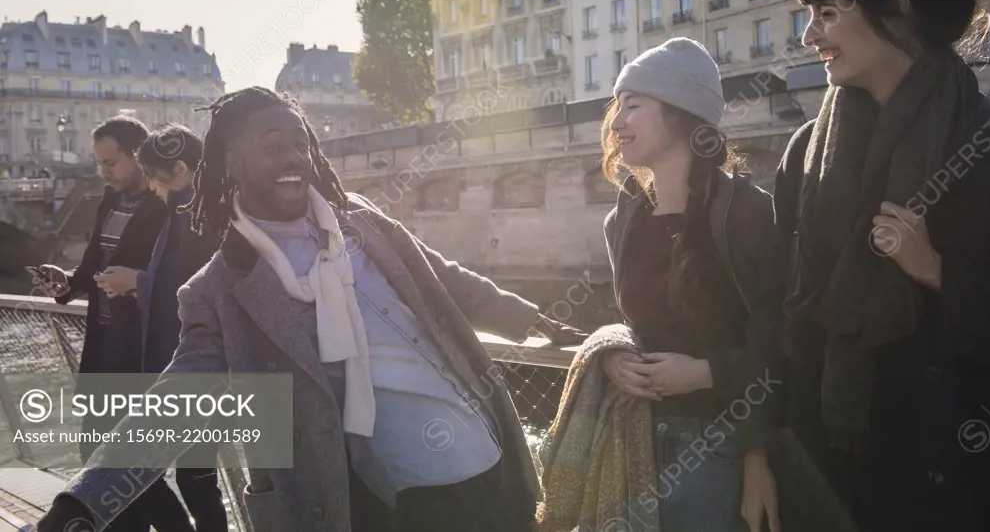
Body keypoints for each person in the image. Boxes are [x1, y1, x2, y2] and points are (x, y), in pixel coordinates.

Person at [37, 86, 585, 532]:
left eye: (301, 142)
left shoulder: (363, 222)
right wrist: (82, 504)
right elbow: (177, 401)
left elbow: (444, 280)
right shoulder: (221, 287)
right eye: (274, 144)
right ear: (232, 162)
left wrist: (534, 321)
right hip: (392, 494)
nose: (295, 156)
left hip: (485, 452)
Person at [775, 0, 990, 532]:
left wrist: (939, 272)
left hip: (957, 488)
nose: (810, 36)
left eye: (827, 12)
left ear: (898, 7)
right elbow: (784, 317)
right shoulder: (803, 152)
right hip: (828, 481)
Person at [540, 39, 786, 532]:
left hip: (723, 449)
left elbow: (784, 342)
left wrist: (714, 381)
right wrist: (611, 354)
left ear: (680, 114)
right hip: (637, 446)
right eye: (616, 108)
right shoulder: (623, 220)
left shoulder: (748, 214)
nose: (615, 124)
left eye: (633, 106)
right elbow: (640, 326)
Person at [33, 115, 195, 532]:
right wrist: (66, 283)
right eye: (99, 163)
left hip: (139, 350)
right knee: (97, 452)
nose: (103, 172)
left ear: (138, 157)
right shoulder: (108, 199)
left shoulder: (167, 205)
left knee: (132, 463)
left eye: (110, 162)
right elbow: (93, 267)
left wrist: (138, 281)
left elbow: (184, 278)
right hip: (103, 344)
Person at [94, 123, 229, 532]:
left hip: (186, 371)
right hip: (195, 372)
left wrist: (139, 281)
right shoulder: (191, 210)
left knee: (135, 468)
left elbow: (202, 285)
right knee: (196, 478)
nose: (152, 187)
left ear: (182, 170)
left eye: (155, 176)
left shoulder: (196, 217)